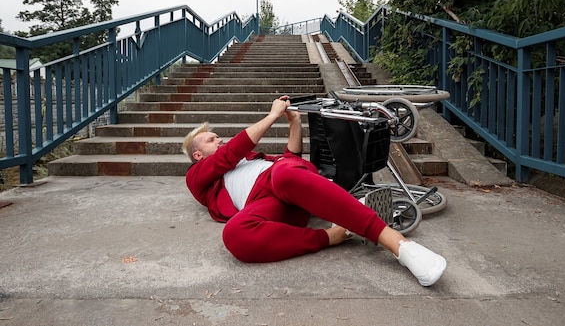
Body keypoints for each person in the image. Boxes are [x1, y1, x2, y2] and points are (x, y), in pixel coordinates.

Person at [182, 95, 446, 286]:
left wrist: (294, 122)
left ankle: (399, 244)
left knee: (286, 171)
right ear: (197, 154)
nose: (220, 140)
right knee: (234, 235)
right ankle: (332, 235)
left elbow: (291, 157)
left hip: (283, 178)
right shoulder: (198, 177)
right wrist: (271, 116)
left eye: (218, 136)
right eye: (211, 139)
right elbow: (230, 153)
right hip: (263, 204)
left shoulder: (251, 159)